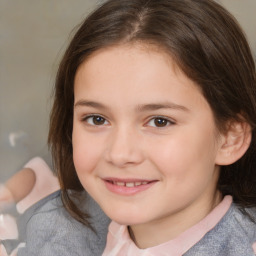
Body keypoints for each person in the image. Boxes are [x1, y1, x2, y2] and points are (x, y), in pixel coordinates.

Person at [2, 0, 256, 255]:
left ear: (230, 138)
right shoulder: (55, 223)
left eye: (160, 121)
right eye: (97, 119)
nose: (120, 154)